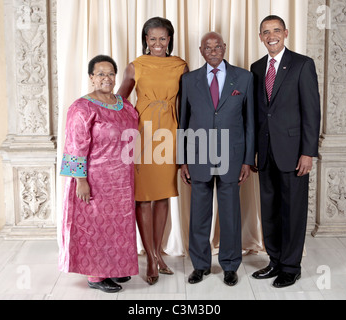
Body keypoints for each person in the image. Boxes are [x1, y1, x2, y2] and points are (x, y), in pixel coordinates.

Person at [179, 32, 255, 286]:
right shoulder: (189, 80)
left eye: (218, 46)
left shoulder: (243, 78)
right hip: (198, 156)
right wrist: (182, 160)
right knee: (199, 214)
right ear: (201, 50)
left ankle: (231, 265)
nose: (213, 50)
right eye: (208, 47)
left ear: (225, 47)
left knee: (231, 213)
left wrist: (247, 160)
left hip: (232, 158)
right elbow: (183, 122)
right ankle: (200, 265)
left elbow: (250, 123)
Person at [250, 15, 321, 288]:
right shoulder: (256, 68)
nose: (271, 35)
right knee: (269, 210)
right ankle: (275, 260)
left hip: (294, 153)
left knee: (293, 210)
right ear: (260, 37)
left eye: (276, 30)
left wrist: (308, 153)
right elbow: (258, 114)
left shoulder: (303, 65)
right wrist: (253, 152)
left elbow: (311, 113)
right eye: (266, 32)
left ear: (286, 33)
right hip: (266, 152)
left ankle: (291, 267)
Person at [117, 17, 189, 285]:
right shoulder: (137, 65)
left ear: (170, 39)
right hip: (143, 134)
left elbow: (185, 106)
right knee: (143, 198)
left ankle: (158, 253)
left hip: (169, 133)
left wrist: (184, 142)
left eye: (163, 38)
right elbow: (120, 100)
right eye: (152, 38)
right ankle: (149, 256)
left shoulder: (180, 65)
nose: (158, 43)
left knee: (162, 196)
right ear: (145, 39)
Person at [59, 55, 139, 293]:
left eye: (111, 74)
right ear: (91, 78)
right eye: (101, 74)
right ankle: (96, 275)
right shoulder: (82, 107)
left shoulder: (124, 105)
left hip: (122, 180)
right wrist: (80, 181)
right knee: (97, 227)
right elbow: (74, 145)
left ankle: (114, 268)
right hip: (94, 180)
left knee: (119, 225)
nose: (107, 78)